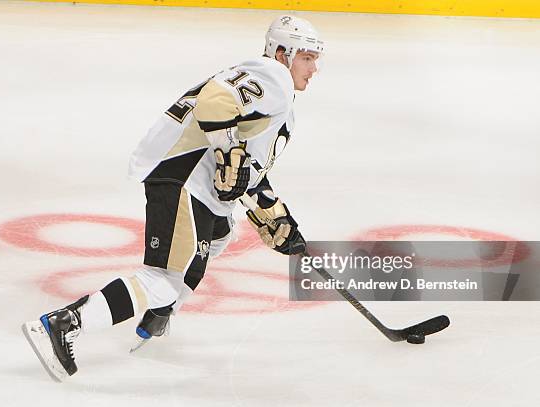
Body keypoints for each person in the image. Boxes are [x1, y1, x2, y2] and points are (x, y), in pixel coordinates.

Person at [22, 14, 324, 382]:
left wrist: (275, 215)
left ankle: (160, 310)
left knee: (220, 234)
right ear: (282, 52)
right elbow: (215, 102)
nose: (314, 67)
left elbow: (248, 172)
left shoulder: (280, 102)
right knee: (163, 276)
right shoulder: (272, 75)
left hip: (197, 186)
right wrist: (229, 152)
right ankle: (65, 324)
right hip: (183, 178)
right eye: (307, 57)